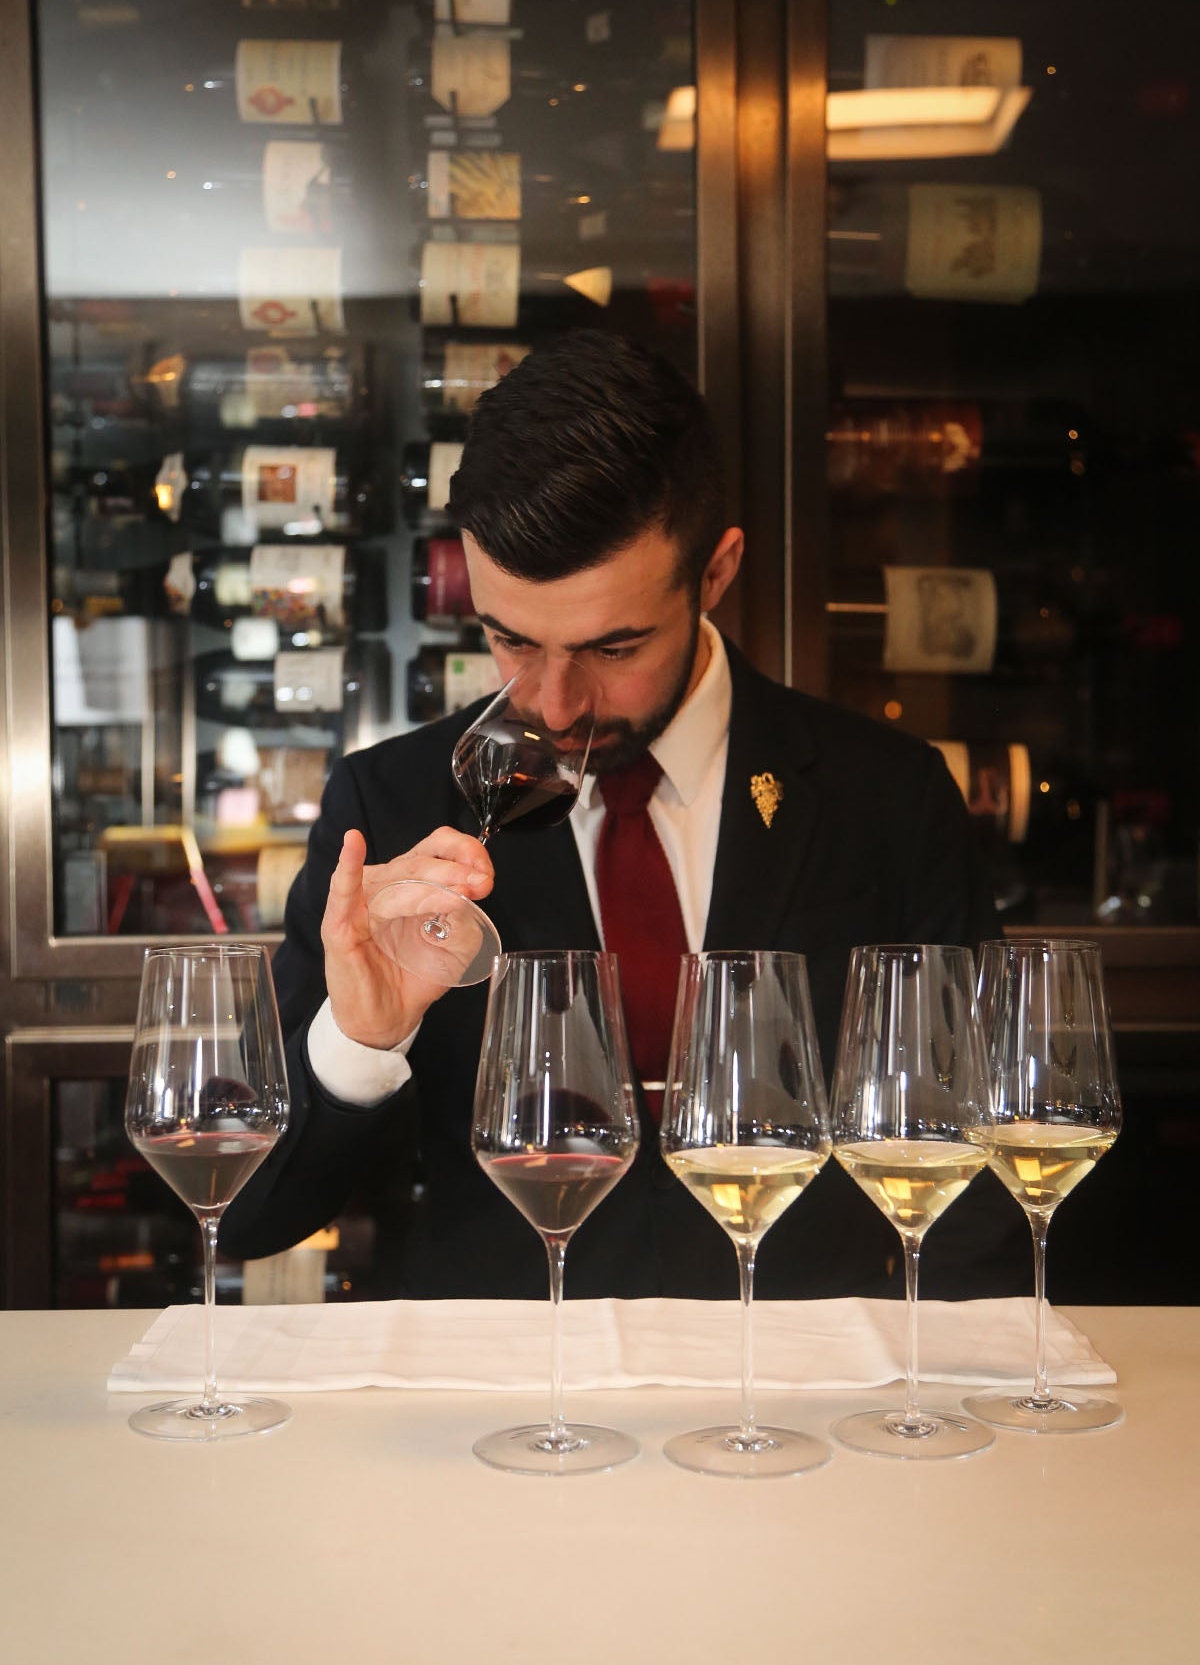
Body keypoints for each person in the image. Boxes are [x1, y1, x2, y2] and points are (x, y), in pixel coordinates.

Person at [222, 330, 1024, 1299]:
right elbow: (254, 1214)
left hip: (808, 1402)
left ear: (717, 573)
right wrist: (362, 1038)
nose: (554, 703)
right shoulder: (390, 803)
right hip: (502, 1405)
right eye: (510, 638)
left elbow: (978, 1159)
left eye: (613, 646)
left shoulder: (886, 794)